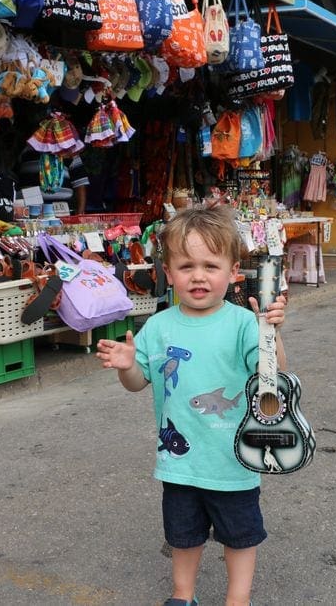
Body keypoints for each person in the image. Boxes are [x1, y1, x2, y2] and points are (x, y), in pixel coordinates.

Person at [95, 205, 287, 606]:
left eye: (210, 266)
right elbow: (136, 384)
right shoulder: (159, 326)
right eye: (186, 266)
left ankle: (239, 598)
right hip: (179, 462)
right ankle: (183, 596)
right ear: (168, 273)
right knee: (183, 535)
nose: (198, 276)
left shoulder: (242, 323)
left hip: (235, 459)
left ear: (233, 271)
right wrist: (127, 366)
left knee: (240, 535)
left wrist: (270, 332)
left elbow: (274, 376)